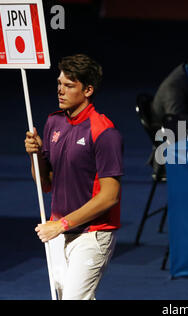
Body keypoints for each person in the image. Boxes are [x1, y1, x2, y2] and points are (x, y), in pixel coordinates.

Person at [24, 54, 123, 300]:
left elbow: (110, 196)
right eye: (59, 84)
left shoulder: (105, 132)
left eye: (69, 85)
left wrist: (62, 224)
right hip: (58, 232)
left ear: (88, 90)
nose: (61, 90)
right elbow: (46, 184)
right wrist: (35, 155)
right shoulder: (53, 122)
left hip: (92, 234)